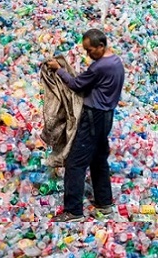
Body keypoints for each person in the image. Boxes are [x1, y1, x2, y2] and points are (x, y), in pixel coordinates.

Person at [47, 28, 125, 222]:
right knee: (99, 159)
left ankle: (73, 211)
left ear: (101, 46)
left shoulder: (99, 67)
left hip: (93, 117)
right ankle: (104, 203)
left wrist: (59, 69)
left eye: (90, 50)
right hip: (107, 116)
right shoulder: (116, 61)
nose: (88, 54)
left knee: (75, 163)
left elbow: (76, 84)